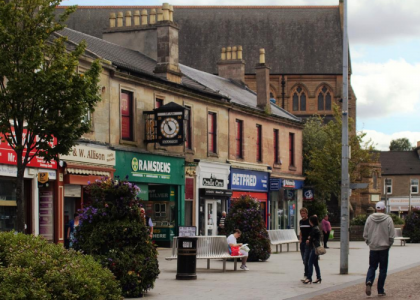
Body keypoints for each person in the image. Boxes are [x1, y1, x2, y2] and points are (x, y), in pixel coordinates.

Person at [363, 201, 395, 297]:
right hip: (384, 247)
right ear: (383, 208)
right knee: (383, 269)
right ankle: (380, 290)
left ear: (376, 208)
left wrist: (369, 242)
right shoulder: (388, 219)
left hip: (373, 247)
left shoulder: (369, 218)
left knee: (372, 266)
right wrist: (389, 244)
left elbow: (365, 233)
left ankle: (369, 281)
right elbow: (392, 234)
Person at [303, 215, 322, 284]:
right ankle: (319, 277)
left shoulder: (314, 229)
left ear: (311, 221)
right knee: (315, 263)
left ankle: (309, 278)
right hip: (316, 247)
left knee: (310, 262)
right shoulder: (317, 228)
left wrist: (309, 240)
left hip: (314, 248)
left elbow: (313, 238)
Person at [299, 208, 311, 282]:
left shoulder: (309, 221)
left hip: (307, 243)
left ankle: (306, 275)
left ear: (307, 214)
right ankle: (307, 273)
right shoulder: (300, 222)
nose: (302, 215)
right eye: (301, 213)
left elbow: (311, 231)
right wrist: (300, 239)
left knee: (306, 259)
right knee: (303, 259)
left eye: (304, 213)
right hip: (302, 242)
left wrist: (309, 239)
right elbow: (301, 231)